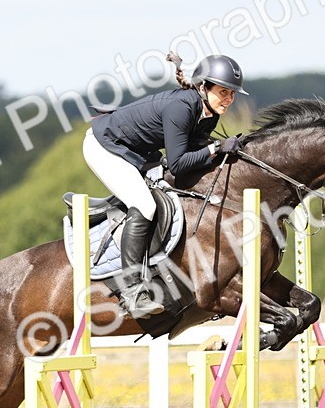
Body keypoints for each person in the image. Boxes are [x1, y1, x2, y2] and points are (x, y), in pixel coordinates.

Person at [83, 53, 248, 317]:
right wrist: (216, 147)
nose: (229, 99)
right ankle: (132, 293)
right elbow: (179, 163)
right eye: (224, 92)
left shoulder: (209, 113)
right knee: (145, 205)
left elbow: (193, 158)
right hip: (105, 147)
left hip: (137, 152)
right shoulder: (182, 107)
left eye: (233, 94)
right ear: (203, 87)